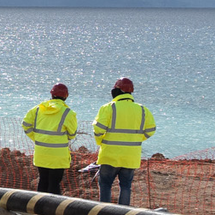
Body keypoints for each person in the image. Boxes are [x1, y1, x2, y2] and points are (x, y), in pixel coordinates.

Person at [93, 77, 156, 205]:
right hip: (131, 156)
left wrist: (100, 141)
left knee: (105, 184)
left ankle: (103, 214)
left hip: (110, 155)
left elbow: (98, 129)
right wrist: (137, 139)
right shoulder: (142, 109)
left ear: (117, 91)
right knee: (126, 186)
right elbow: (151, 129)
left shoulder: (109, 107)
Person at [21, 83, 78, 194]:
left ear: (51, 95)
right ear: (66, 96)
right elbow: (72, 134)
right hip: (58, 155)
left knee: (43, 181)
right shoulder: (68, 113)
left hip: (41, 152)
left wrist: (36, 138)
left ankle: (38, 208)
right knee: (54, 183)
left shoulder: (37, 109)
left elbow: (25, 124)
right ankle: (53, 210)